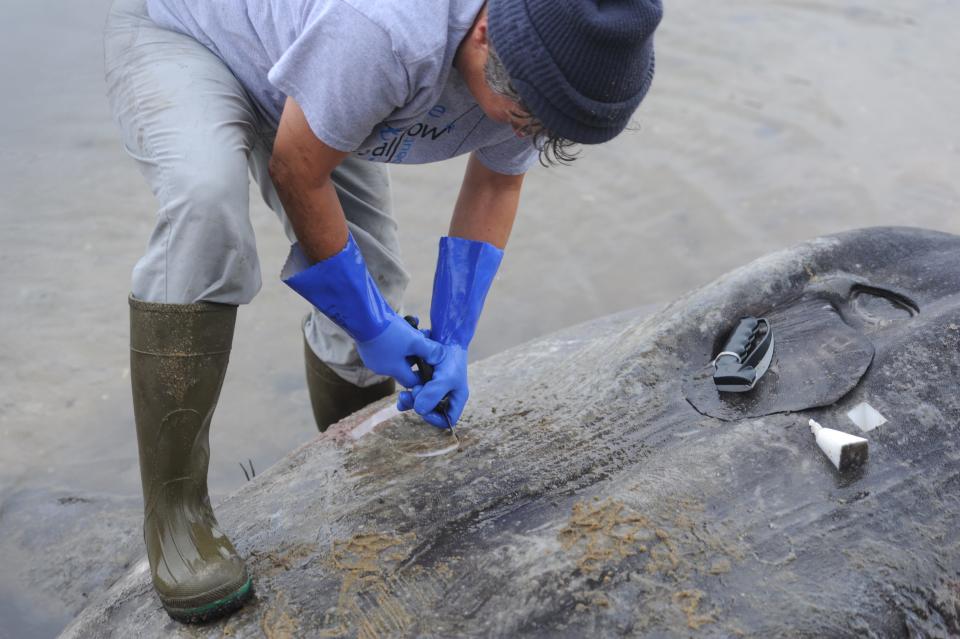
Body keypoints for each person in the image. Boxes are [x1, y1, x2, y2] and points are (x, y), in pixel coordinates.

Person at [104, 0, 662, 623]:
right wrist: (371, 326)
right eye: (529, 117)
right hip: (191, 37)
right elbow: (296, 169)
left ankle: (362, 460)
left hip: (316, 83)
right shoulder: (385, 31)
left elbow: (497, 183)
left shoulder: (543, 59)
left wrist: (453, 339)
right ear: (484, 34)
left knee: (372, 278)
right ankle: (175, 514)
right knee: (207, 210)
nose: (530, 133)